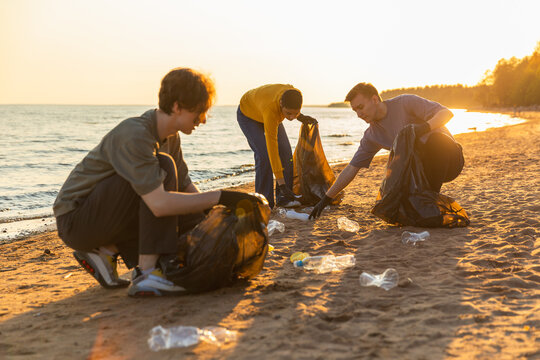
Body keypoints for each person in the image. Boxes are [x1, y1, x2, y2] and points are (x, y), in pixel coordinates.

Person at [53, 68, 262, 297]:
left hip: (109, 216)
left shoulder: (171, 137)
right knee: (163, 169)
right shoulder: (135, 134)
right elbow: (159, 205)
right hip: (76, 221)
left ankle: (106, 251)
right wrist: (222, 195)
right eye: (199, 112)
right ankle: (147, 273)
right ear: (177, 106)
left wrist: (218, 215)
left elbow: (185, 187)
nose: (202, 120)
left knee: (190, 213)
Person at [309, 82, 464, 219]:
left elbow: (446, 113)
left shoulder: (405, 103)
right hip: (420, 174)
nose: (359, 114)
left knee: (436, 140)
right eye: (355, 110)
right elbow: (351, 168)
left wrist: (422, 128)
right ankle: (422, 202)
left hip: (450, 160)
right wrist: (326, 199)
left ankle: (430, 200)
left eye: (361, 107)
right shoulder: (372, 135)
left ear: (375, 99)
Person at [237, 84, 316, 208]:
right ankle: (264, 201)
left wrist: (300, 117)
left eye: (294, 113)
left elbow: (291, 110)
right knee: (264, 155)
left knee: (286, 152)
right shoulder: (271, 111)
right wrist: (281, 182)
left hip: (264, 109)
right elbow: (272, 149)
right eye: (288, 113)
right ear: (280, 103)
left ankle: (284, 198)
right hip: (248, 114)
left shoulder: (294, 93)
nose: (290, 118)